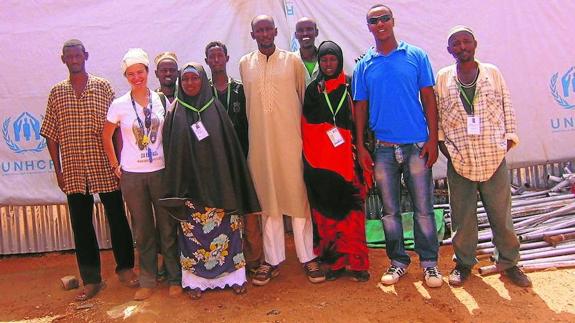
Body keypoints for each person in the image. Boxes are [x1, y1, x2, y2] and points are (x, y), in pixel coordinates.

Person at [352, 4, 442, 288]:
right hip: (383, 149)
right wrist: (362, 147)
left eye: (384, 18)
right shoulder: (364, 64)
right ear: (368, 27)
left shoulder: (415, 56)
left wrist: (432, 138)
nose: (380, 24)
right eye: (373, 21)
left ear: (393, 21)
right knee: (389, 211)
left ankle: (429, 265)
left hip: (417, 144)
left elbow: (428, 98)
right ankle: (398, 262)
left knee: (424, 209)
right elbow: (360, 108)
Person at [40, 39, 137, 301]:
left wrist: (118, 163)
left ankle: (126, 269)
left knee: (117, 218)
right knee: (81, 225)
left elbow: (115, 128)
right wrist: (58, 171)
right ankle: (92, 280)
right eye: (69, 56)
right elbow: (51, 134)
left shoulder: (102, 87)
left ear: (86, 56)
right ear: (63, 60)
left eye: (77, 55)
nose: (74, 60)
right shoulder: (57, 92)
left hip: (104, 164)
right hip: (73, 168)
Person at [436, 26, 532, 287]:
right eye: (456, 44)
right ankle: (464, 263)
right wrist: (448, 152)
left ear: (475, 44)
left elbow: (507, 106)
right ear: (449, 50)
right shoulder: (443, 77)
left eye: (466, 42)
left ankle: (509, 262)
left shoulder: (492, 73)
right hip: (461, 159)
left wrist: (508, 141)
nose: (462, 47)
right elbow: (439, 120)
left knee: (501, 214)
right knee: (462, 216)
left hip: (493, 156)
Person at [160, 62, 261, 300]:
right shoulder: (174, 111)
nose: (190, 83)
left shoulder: (215, 108)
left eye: (195, 78)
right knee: (193, 235)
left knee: (228, 231)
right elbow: (171, 151)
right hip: (189, 191)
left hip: (221, 187)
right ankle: (195, 281)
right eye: (185, 80)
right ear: (179, 83)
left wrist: (230, 181)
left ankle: (234, 277)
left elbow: (229, 149)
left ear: (203, 80)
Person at [240, 15, 325, 285]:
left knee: (298, 199)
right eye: (259, 30)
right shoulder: (245, 64)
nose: (264, 34)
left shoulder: (293, 61)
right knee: (269, 202)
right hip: (260, 146)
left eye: (268, 29)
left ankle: (307, 257)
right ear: (253, 34)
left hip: (292, 142)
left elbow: (303, 98)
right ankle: (272, 259)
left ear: (276, 32)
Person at [101, 48, 182, 300]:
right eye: (131, 74)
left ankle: (174, 277)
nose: (136, 77)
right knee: (143, 229)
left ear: (148, 73)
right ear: (126, 76)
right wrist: (116, 165)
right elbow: (106, 135)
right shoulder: (120, 104)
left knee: (167, 226)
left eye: (140, 72)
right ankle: (147, 280)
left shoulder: (161, 100)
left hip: (160, 171)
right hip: (133, 176)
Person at [302, 40, 370, 282]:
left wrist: (362, 149)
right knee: (328, 216)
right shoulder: (313, 90)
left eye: (332, 59)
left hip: (349, 161)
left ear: (339, 60)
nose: (328, 64)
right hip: (322, 165)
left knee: (353, 215)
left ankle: (358, 263)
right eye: (324, 59)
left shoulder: (351, 85)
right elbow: (306, 127)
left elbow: (362, 119)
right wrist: (314, 162)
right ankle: (336, 263)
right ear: (319, 62)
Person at [205, 41, 263, 274]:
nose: (216, 60)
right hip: (214, 163)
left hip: (242, 159)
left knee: (248, 211)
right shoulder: (202, 92)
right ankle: (227, 263)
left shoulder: (240, 89)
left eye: (220, 56)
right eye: (212, 57)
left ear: (227, 58)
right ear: (207, 60)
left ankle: (255, 260)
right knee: (221, 215)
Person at [153, 51, 179, 283]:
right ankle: (165, 260)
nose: (168, 73)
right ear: (157, 74)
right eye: (164, 70)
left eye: (172, 69)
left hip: (184, 166)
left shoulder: (188, 94)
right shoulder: (151, 100)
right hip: (160, 167)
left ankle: (186, 258)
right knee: (163, 216)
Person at [294, 17, 320, 86]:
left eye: (309, 29)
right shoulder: (290, 61)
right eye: (300, 30)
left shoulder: (326, 60)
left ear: (316, 32)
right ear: (296, 35)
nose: (305, 33)